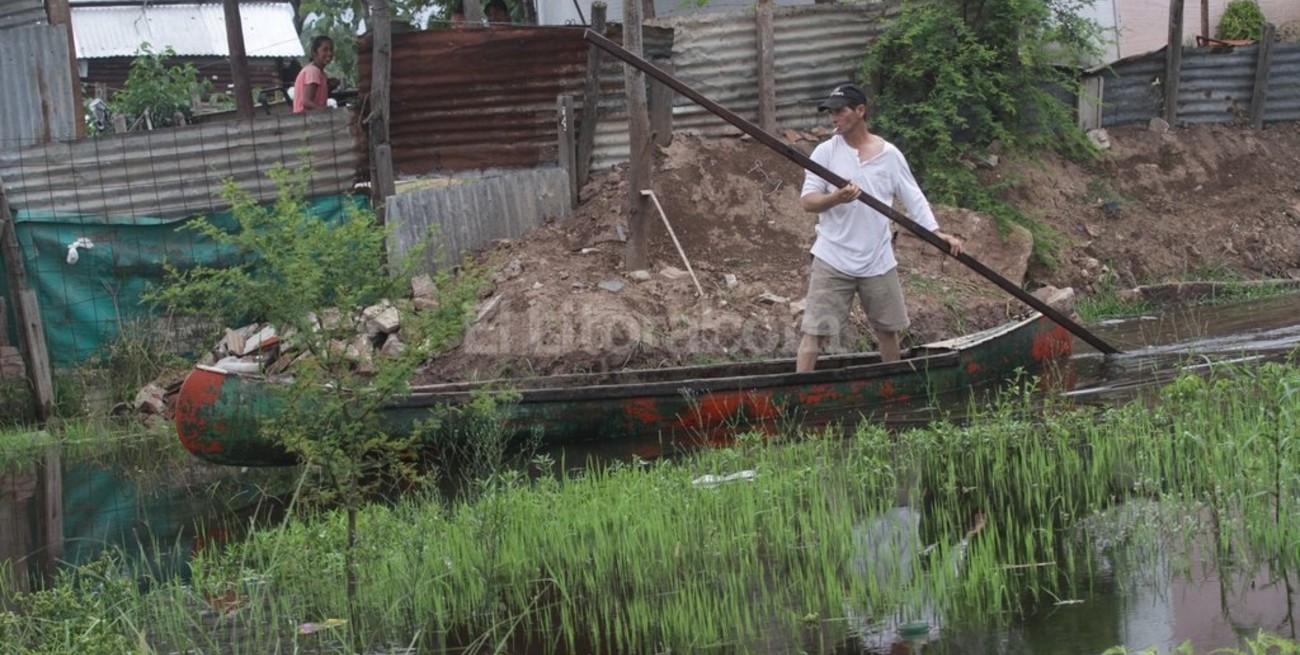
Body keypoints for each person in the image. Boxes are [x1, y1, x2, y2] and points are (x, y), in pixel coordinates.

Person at [797, 82, 962, 373]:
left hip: (877, 258)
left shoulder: (890, 155)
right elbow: (808, 201)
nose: (833, 117)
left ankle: (892, 390)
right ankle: (797, 400)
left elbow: (914, 198)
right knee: (815, 332)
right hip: (833, 256)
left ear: (860, 111)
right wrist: (836, 198)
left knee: (888, 329)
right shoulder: (825, 153)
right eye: (830, 112)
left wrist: (935, 233)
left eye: (839, 111)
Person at [293, 36, 334, 113]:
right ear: (314, 52)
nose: (330, 53)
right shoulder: (313, 71)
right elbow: (306, 102)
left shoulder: (320, 72)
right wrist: (325, 111)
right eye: (325, 49)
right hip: (307, 119)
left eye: (331, 50)